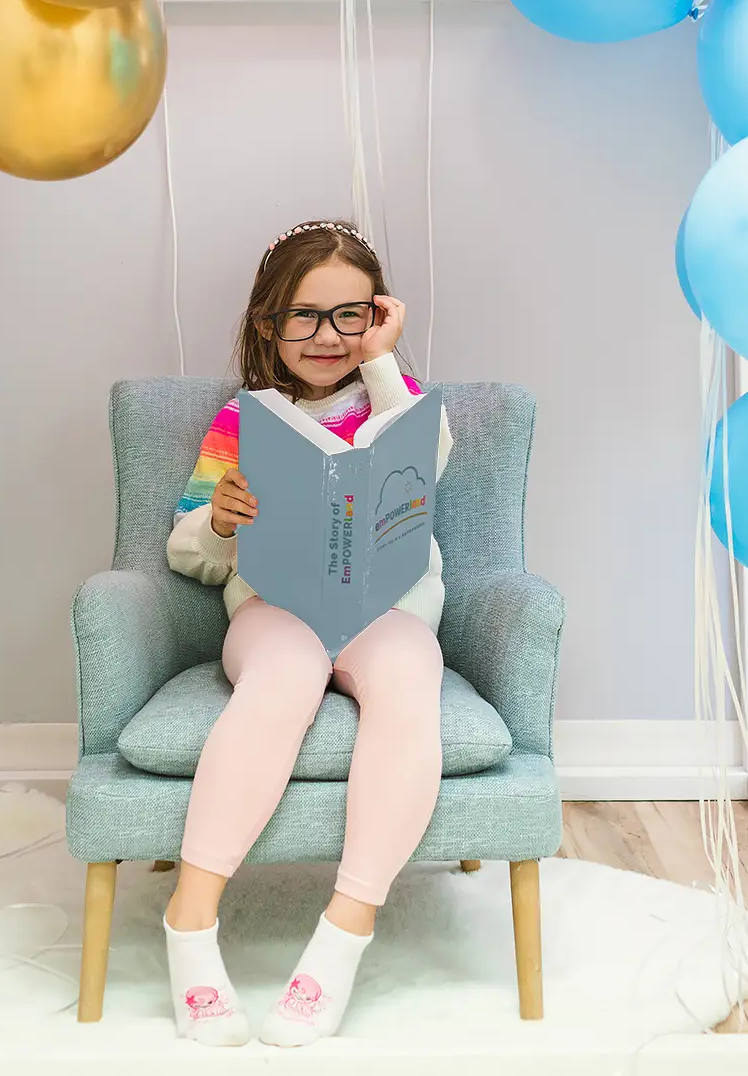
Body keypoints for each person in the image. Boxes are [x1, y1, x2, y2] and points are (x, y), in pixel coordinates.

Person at [162, 220, 451, 1049]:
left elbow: (435, 461)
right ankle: (190, 921)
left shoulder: (399, 403)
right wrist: (217, 522)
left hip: (383, 611)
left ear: (378, 315)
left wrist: (384, 361)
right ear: (267, 324)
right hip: (277, 611)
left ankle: (345, 932)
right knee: (282, 678)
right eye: (304, 317)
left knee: (407, 676)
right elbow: (187, 548)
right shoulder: (244, 421)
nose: (327, 337)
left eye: (349, 316)